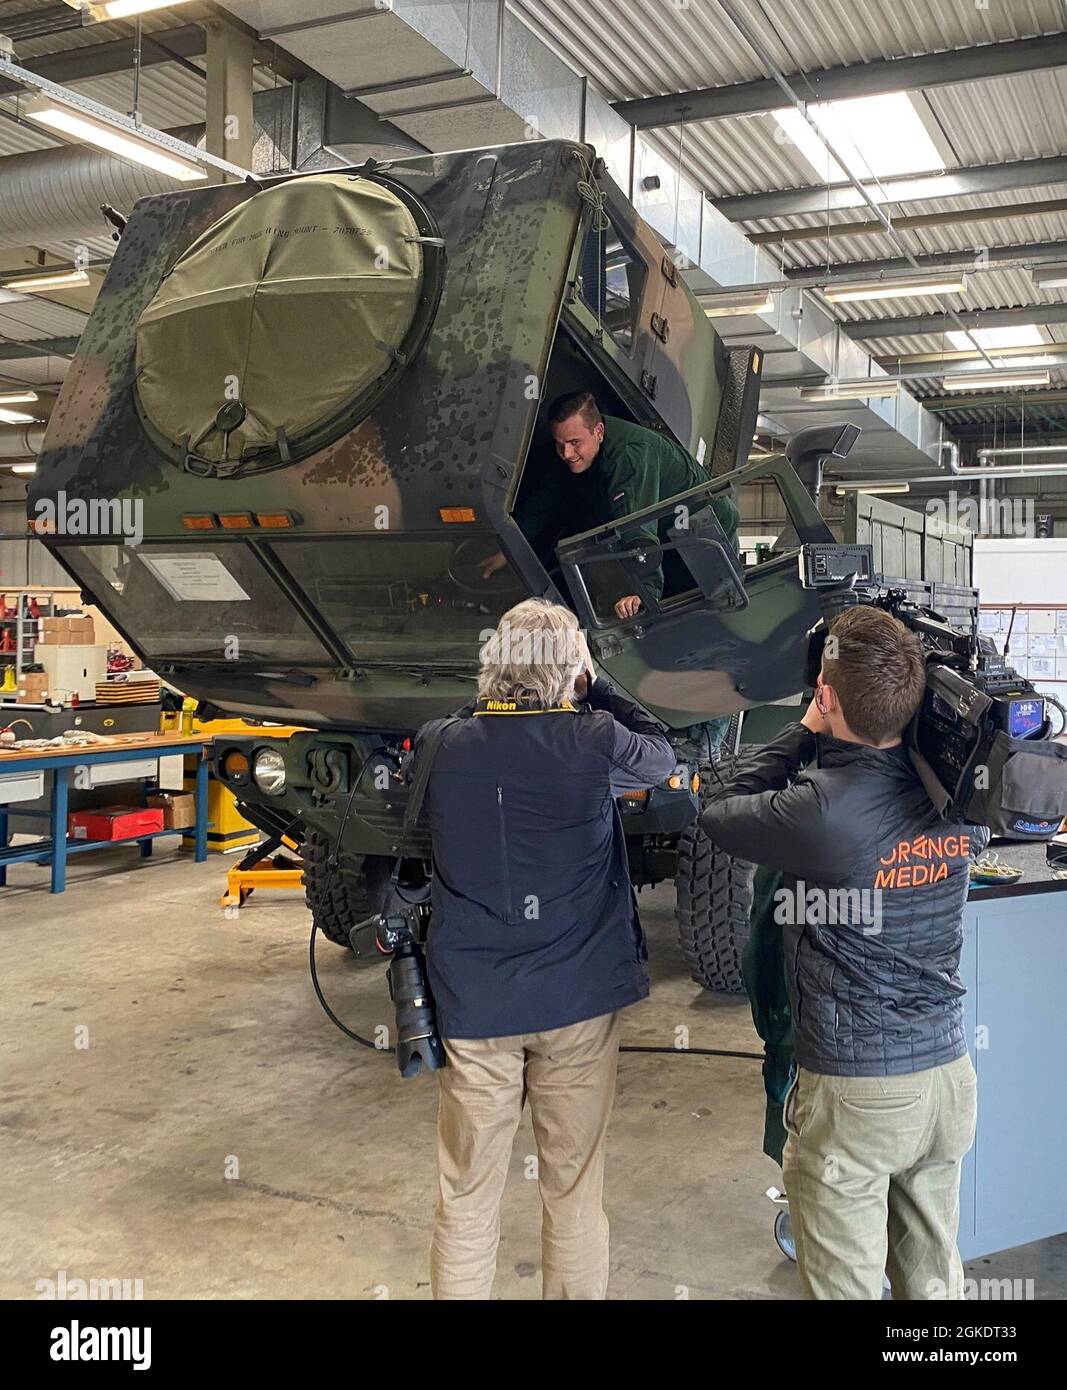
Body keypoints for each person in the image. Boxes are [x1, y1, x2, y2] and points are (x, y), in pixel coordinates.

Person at [700, 604, 981, 1301]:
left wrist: (803, 729)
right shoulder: (962, 795)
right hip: (948, 1076)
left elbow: (718, 806)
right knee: (933, 1287)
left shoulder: (821, 810)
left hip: (860, 1093)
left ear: (825, 696)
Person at [411, 597, 675, 1299]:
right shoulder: (593, 740)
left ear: (491, 664)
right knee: (572, 1189)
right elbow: (662, 754)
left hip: (474, 1005)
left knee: (465, 1194)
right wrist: (601, 685)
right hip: (578, 999)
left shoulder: (440, 743)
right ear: (575, 670)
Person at [482, 391, 738, 619]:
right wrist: (508, 550)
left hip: (702, 534)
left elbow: (637, 526)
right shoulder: (569, 455)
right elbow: (544, 502)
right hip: (663, 534)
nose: (567, 454)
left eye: (574, 443)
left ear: (599, 432)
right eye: (560, 444)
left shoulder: (629, 457)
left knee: (692, 612)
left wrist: (644, 593)